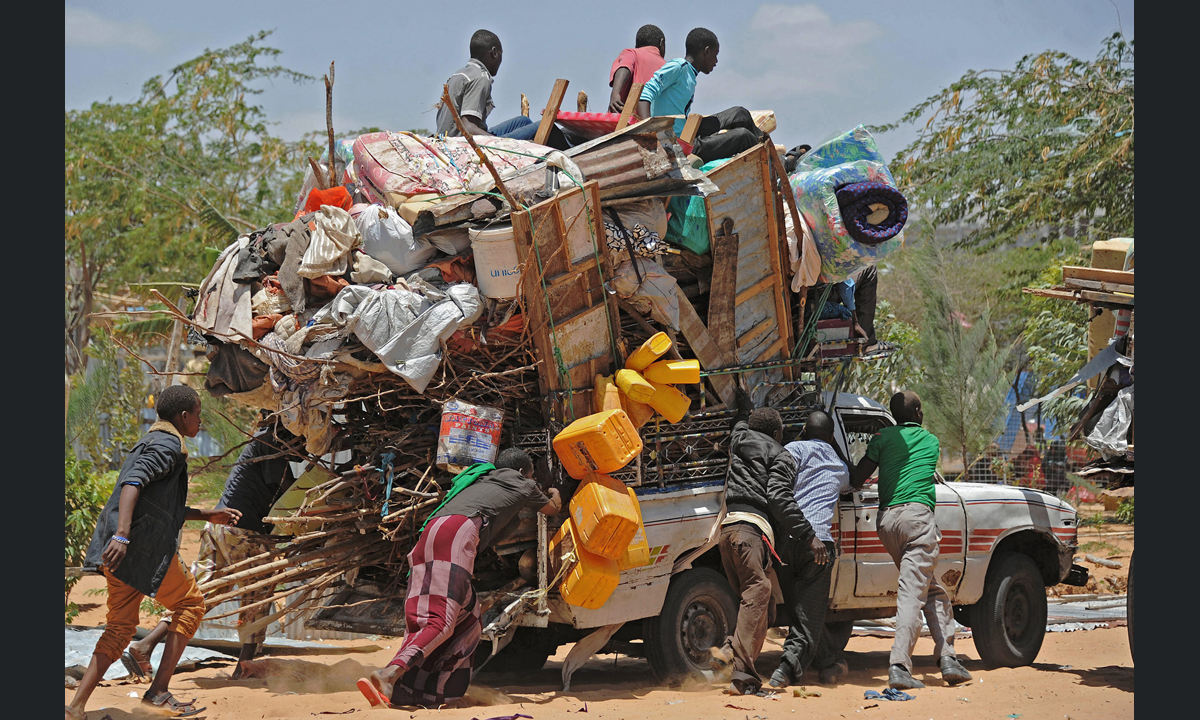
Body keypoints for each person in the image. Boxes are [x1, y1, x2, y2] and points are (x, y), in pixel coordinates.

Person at [67, 385, 242, 720]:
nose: (201, 422)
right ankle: (158, 691)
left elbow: (159, 504)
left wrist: (206, 515)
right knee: (191, 604)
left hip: (121, 553)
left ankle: (75, 707)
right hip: (139, 550)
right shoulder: (166, 444)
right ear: (184, 415)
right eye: (199, 414)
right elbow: (132, 483)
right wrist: (123, 535)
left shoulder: (154, 441)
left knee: (120, 627)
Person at [361, 448, 562, 708]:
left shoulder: (482, 479)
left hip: (433, 530)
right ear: (523, 471)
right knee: (441, 620)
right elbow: (552, 509)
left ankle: (420, 693)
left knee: (468, 620)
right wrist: (555, 492)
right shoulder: (522, 481)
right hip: (458, 534)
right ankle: (390, 674)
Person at [120, 423, 301, 681]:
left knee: (199, 595)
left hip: (218, 530)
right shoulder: (272, 443)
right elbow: (290, 489)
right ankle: (245, 667)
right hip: (244, 534)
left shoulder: (263, 440)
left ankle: (145, 645)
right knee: (258, 598)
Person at [848, 391, 972, 690]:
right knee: (911, 595)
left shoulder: (882, 438)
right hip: (917, 520)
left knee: (932, 591)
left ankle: (948, 658)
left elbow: (857, 478)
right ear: (918, 412)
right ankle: (899, 665)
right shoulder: (930, 442)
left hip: (888, 522)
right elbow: (923, 470)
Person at [709, 389, 798, 695]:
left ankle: (735, 666)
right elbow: (779, 498)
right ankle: (736, 663)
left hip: (727, 533)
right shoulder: (781, 455)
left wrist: (744, 408)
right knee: (759, 589)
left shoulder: (739, 439)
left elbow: (738, 423)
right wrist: (802, 534)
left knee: (767, 608)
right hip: (752, 532)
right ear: (777, 434)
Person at [768, 410, 852, 688]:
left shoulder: (792, 449)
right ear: (830, 436)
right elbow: (851, 478)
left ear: (803, 430)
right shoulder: (839, 467)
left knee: (801, 612)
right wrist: (831, 442)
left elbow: (780, 484)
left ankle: (827, 662)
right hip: (817, 544)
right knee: (809, 615)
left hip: (783, 543)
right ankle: (786, 670)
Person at [635, 27, 763, 163]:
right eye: (715, 55)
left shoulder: (689, 74)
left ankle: (772, 151)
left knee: (740, 113)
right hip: (677, 143)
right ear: (707, 51)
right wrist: (650, 133)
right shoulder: (678, 67)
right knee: (743, 136)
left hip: (687, 130)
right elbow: (646, 92)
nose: (716, 61)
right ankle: (776, 163)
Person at [436, 29, 569, 149]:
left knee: (524, 121)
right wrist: (499, 142)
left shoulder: (460, 74)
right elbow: (468, 127)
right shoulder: (480, 78)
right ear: (494, 53)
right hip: (463, 144)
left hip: (451, 138)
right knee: (543, 125)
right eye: (501, 53)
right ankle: (572, 151)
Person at [807, 264, 881, 351]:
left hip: (800, 291)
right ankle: (866, 342)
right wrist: (855, 321)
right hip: (818, 294)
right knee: (869, 268)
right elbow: (845, 285)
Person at [607, 24, 667, 113]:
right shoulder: (667, 66)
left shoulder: (632, 53)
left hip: (628, 120)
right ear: (661, 43)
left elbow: (625, 66)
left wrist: (615, 93)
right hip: (654, 123)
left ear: (636, 45)